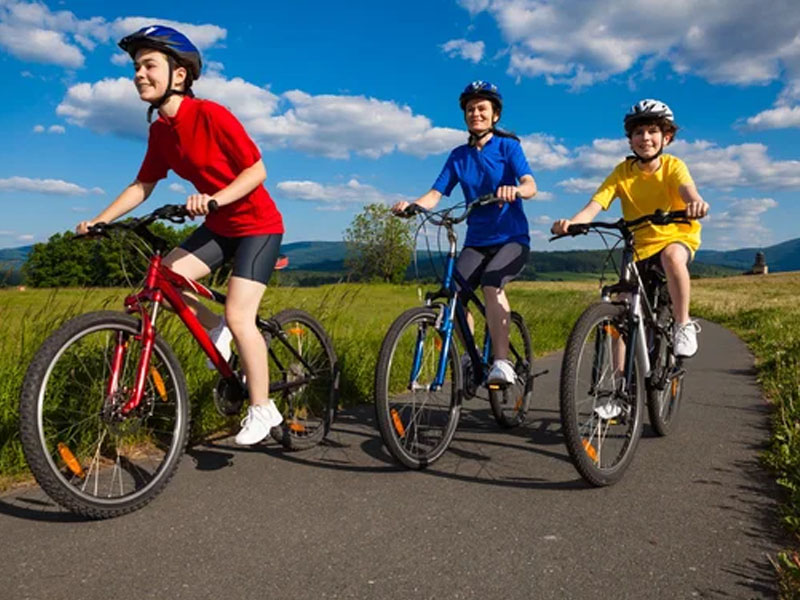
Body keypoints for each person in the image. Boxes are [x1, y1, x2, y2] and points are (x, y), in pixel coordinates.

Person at [76, 25, 284, 445]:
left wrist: (215, 199)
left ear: (179, 75)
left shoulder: (211, 115)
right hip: (219, 227)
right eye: (136, 67)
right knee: (165, 280)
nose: (139, 74)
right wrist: (98, 220)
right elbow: (143, 185)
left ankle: (263, 408)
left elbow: (257, 171)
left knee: (240, 314)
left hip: (258, 226)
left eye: (149, 65)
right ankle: (216, 331)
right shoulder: (160, 132)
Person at [391, 81, 537, 385]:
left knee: (491, 281)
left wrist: (516, 190)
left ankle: (501, 362)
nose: (476, 113)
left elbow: (530, 184)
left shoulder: (509, 147)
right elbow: (435, 193)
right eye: (470, 109)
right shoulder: (459, 155)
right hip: (477, 241)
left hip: (511, 238)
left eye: (482, 108)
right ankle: (470, 358)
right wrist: (413, 206)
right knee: (454, 293)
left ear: (495, 114)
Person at [551, 99, 709, 357]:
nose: (645, 138)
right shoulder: (622, 172)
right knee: (622, 309)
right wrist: (571, 224)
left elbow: (688, 191)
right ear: (630, 139)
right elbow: (596, 204)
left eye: (653, 131)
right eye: (638, 132)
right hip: (639, 248)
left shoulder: (673, 166)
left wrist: (696, 204)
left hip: (677, 236)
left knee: (671, 257)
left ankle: (683, 324)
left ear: (666, 138)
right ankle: (617, 393)